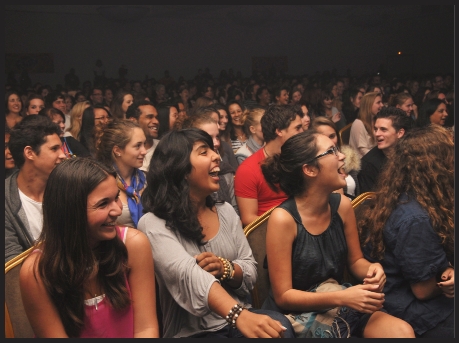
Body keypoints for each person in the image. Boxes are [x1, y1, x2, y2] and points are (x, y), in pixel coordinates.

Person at [137, 128, 294, 338]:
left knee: (279, 327)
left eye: (214, 150)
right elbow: (189, 275)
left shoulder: (226, 211)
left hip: (239, 321)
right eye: (204, 152)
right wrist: (239, 316)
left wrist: (225, 268)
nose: (217, 156)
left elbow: (249, 268)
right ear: (180, 168)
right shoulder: (153, 223)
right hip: (191, 332)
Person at [260, 130, 415, 338]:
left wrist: (373, 268)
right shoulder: (283, 219)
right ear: (310, 169)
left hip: (339, 300)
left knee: (401, 332)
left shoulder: (342, 205)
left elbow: (355, 261)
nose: (342, 156)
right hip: (296, 315)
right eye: (332, 151)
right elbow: (283, 297)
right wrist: (342, 296)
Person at [19, 158, 159, 337]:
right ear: (71, 211)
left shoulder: (133, 245)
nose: (117, 210)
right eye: (103, 204)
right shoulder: (36, 272)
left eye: (116, 198)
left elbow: (146, 328)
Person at [358, 125, 454, 338]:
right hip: (411, 309)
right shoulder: (414, 218)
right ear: (437, 165)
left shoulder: (424, 197)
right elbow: (423, 290)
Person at [5, 115, 66, 262]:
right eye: (54, 149)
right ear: (30, 153)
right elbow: (11, 263)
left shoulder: (67, 188)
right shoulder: (6, 201)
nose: (63, 155)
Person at [235, 104, 304, 226]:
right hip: (270, 233)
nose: (303, 133)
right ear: (279, 131)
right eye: (298, 128)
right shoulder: (248, 170)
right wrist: (286, 226)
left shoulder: (302, 159)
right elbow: (249, 218)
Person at [177, 106, 239, 214]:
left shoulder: (225, 172)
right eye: (209, 138)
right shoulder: (180, 174)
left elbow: (234, 212)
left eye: (217, 137)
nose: (216, 143)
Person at [96, 120, 147, 228]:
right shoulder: (101, 182)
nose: (144, 151)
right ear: (117, 150)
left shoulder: (147, 179)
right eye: (138, 146)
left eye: (144, 144)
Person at [357, 106, 412, 195]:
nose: (377, 134)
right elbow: (370, 204)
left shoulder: (411, 153)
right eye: (376, 129)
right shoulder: (369, 165)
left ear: (400, 133)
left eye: (383, 129)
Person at [311, 116, 361, 199]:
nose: (330, 141)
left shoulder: (347, 157)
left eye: (332, 136)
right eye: (324, 138)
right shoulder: (319, 169)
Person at [125, 100, 160, 173]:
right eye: (149, 117)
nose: (156, 121)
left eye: (156, 117)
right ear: (133, 121)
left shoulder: (164, 147)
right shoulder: (124, 152)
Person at [349, 92, 384, 158]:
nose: (382, 105)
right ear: (369, 105)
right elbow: (363, 150)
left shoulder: (375, 120)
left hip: (373, 157)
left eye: (381, 102)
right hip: (362, 163)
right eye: (378, 102)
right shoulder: (358, 123)